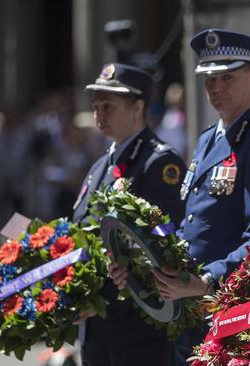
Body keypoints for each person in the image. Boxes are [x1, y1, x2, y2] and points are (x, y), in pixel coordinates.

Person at [109, 29, 250, 365]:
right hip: (193, 313)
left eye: (227, 77)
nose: (216, 88)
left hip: (234, 315)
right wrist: (143, 262)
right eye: (209, 79)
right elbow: (189, 225)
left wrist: (208, 279)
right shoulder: (209, 139)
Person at [74, 63, 186, 366]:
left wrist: (104, 297)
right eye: (96, 106)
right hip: (96, 332)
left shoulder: (158, 163)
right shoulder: (100, 167)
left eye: (108, 106)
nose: (99, 115)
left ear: (137, 107)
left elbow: (167, 239)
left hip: (137, 333)